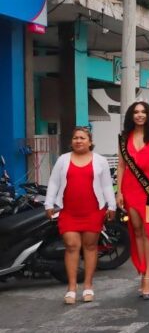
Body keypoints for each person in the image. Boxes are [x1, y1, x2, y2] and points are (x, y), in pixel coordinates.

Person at [45, 128, 115, 304]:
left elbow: (107, 185)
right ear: (71, 141)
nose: (78, 141)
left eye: (82, 138)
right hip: (68, 211)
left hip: (93, 211)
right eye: (75, 138)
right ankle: (71, 287)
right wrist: (49, 203)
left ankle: (88, 286)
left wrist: (111, 205)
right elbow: (54, 182)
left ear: (90, 141)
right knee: (71, 245)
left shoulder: (100, 161)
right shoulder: (63, 160)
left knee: (90, 246)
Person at [116, 101, 149, 300]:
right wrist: (119, 192)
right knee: (136, 230)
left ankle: (147, 276)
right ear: (131, 115)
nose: (139, 115)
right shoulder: (124, 138)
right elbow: (121, 166)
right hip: (129, 189)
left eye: (143, 112)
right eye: (136, 112)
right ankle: (142, 268)